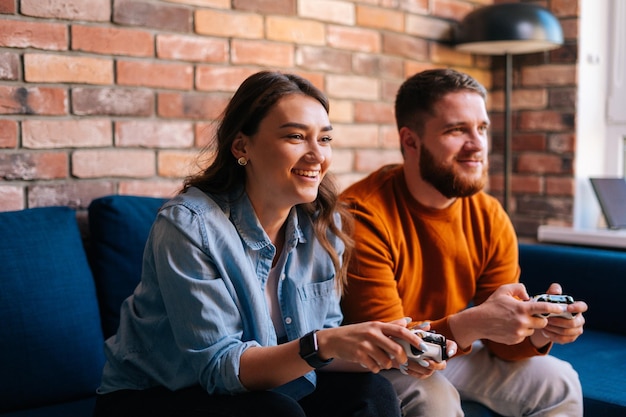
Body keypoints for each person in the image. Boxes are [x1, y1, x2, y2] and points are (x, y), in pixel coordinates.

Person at [92, 71, 451, 417]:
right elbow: (220, 369)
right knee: (274, 410)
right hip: (156, 394)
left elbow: (319, 353)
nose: (317, 155)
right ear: (241, 145)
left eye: (324, 139)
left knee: (374, 393)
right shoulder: (188, 225)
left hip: (268, 387)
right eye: (295, 137)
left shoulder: (325, 225)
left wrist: (392, 349)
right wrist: (322, 344)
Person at [340, 68, 588, 416]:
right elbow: (393, 347)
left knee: (558, 380)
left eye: (482, 128)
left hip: (451, 351)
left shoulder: (489, 215)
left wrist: (538, 331)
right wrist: (474, 323)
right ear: (411, 141)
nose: (477, 145)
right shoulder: (361, 214)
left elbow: (502, 343)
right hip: (385, 362)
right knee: (434, 397)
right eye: (457, 130)